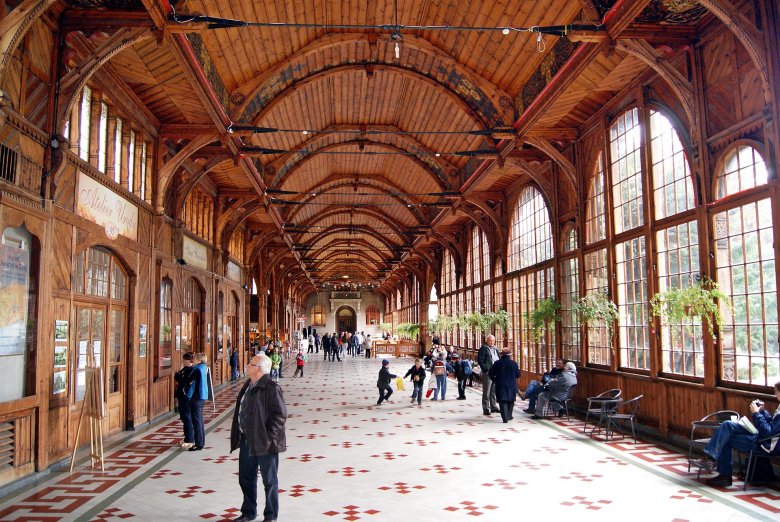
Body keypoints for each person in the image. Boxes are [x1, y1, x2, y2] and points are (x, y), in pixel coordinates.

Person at [230, 353, 287, 522]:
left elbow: (280, 416)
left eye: (251, 364)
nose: (248, 366)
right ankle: (248, 512)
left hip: (265, 442)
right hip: (247, 439)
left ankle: (271, 515)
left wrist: (269, 437)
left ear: (260, 369)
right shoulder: (248, 384)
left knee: (269, 480)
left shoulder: (271, 387)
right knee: (246, 478)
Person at [698, 382, 780, 487]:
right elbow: (772, 425)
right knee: (727, 425)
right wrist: (762, 411)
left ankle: (722, 474)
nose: (775, 394)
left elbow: (769, 432)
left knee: (726, 438)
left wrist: (756, 413)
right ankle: (711, 457)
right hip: (762, 437)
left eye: (776, 391)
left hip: (765, 445)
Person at [488, 348, 521, 423]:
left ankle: (505, 418)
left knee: (502, 400)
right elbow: (518, 374)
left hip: (500, 384)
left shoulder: (497, 363)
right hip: (511, 385)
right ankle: (509, 415)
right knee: (511, 400)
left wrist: (495, 380)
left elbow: (491, 373)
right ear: (510, 355)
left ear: (501, 355)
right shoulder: (513, 363)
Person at [186, 352, 210, 451]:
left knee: (196, 421)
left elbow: (189, 381)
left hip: (196, 397)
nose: (193, 360)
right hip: (202, 396)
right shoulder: (204, 368)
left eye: (195, 358)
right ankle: (201, 442)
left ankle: (198, 444)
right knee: (199, 420)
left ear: (199, 360)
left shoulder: (197, 369)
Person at [174, 352, 195, 449]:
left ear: (189, 360)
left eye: (185, 360)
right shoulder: (185, 369)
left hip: (186, 397)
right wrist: (179, 376)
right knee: (184, 418)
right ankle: (187, 438)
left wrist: (180, 377)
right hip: (181, 396)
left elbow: (183, 380)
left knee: (187, 418)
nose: (183, 361)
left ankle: (190, 439)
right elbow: (177, 377)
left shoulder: (192, 370)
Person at [477, 334, 500, 416]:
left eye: (493, 340)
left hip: (495, 372)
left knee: (493, 391)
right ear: (487, 340)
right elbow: (480, 360)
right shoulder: (484, 349)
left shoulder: (495, 349)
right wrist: (485, 370)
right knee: (486, 391)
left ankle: (493, 406)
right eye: (490, 340)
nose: (492, 342)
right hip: (488, 372)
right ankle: (486, 408)